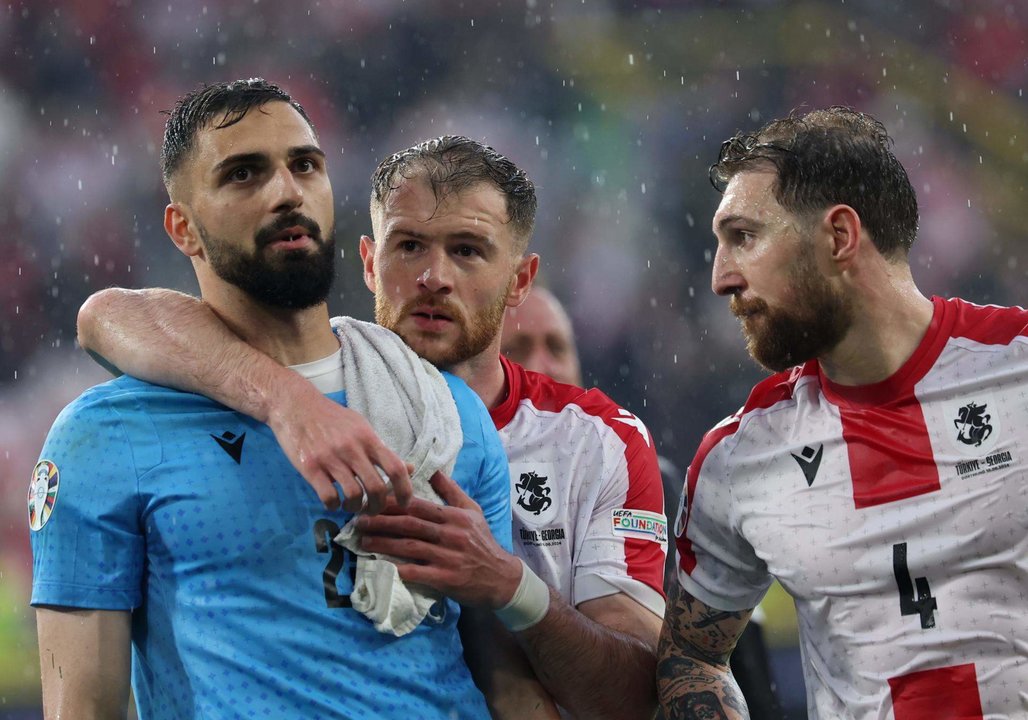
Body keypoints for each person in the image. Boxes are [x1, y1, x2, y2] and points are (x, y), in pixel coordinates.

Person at [78, 136, 668, 718]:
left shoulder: (596, 442)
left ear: (520, 279)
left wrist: (512, 586)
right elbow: (109, 314)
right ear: (368, 261)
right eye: (409, 246)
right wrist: (288, 401)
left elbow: (635, 698)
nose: (434, 276)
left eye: (467, 250)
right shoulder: (306, 411)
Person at [30, 79, 529, 720]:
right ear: (183, 228)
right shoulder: (107, 436)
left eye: (305, 166)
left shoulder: (443, 410)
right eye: (244, 174)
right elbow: (83, 711)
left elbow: (507, 681)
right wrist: (287, 402)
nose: (287, 192)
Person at [659, 106, 1028, 719]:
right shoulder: (739, 459)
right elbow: (691, 657)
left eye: (743, 237)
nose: (722, 278)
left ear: (838, 237)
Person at [502, 286, 784, 719]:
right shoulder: (466, 471)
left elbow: (738, 661)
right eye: (520, 348)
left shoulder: (667, 488)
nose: (544, 364)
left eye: (556, 346)